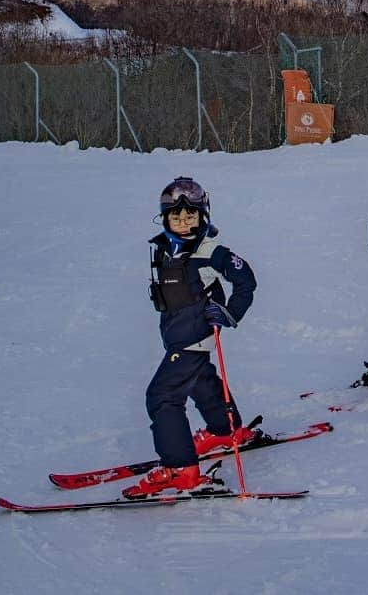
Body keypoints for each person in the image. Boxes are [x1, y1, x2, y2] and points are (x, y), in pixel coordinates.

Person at [123, 177, 257, 498]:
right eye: (176, 217)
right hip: (180, 336)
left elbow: (246, 280)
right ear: (166, 217)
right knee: (201, 380)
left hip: (193, 337)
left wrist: (229, 313)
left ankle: (181, 469)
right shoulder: (168, 248)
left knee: (163, 396)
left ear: (203, 215)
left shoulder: (209, 251)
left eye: (191, 216)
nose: (184, 223)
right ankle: (225, 430)